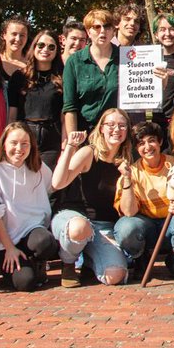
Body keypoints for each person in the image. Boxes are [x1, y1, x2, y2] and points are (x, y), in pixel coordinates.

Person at [50, 108, 133, 287]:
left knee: (115, 275)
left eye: (121, 125)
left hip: (103, 226)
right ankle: (68, 263)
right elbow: (58, 183)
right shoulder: (89, 153)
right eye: (110, 124)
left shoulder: (127, 160)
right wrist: (70, 147)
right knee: (80, 228)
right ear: (101, 128)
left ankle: (89, 259)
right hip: (74, 217)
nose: (116, 129)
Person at [114, 120, 174, 279]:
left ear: (160, 141)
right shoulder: (132, 171)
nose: (147, 147)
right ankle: (140, 258)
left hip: (171, 223)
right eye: (141, 143)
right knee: (125, 229)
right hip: (145, 226)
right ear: (136, 148)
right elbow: (129, 212)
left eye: (151, 141)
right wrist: (126, 179)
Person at [0, 122, 57, 292]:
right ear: (4, 144)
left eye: (25, 143)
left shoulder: (37, 166)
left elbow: (53, 185)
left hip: (30, 231)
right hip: (4, 239)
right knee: (25, 282)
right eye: (14, 143)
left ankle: (35, 263)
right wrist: (9, 248)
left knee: (47, 243)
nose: (19, 148)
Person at [10, 29, 64, 169]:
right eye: (41, 45)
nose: (45, 49)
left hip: (52, 139)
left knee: (48, 185)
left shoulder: (63, 78)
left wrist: (65, 145)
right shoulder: (19, 77)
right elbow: (12, 113)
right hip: (25, 136)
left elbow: (65, 115)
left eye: (51, 47)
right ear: (34, 47)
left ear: (57, 51)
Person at [62, 9, 120, 135]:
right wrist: (73, 143)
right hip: (85, 133)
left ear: (113, 31)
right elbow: (69, 107)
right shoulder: (74, 62)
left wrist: (160, 81)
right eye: (96, 27)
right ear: (88, 31)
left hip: (117, 133)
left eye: (107, 26)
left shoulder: (126, 58)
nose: (103, 31)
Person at [150, 13, 174, 123]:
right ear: (156, 34)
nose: (167, 34)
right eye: (162, 29)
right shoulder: (149, 58)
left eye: (172, 29)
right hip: (157, 120)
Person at [0, 17, 31, 83]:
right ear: (4, 35)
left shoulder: (31, 63)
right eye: (14, 34)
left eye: (22, 35)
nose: (18, 39)